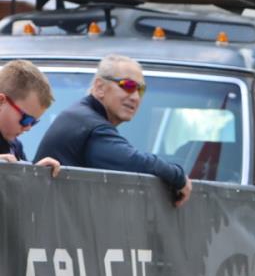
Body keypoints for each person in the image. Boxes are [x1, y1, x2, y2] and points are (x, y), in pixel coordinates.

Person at [37, 54, 191, 206]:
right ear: (100, 87)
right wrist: (178, 176)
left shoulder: (84, 117)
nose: (135, 97)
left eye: (141, 90)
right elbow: (132, 162)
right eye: (128, 86)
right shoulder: (91, 125)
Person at [0, 59, 60, 174]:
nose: (28, 127)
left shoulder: (15, 146)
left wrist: (36, 172)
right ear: (1, 101)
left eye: (33, 122)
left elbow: (19, 182)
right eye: (26, 119)